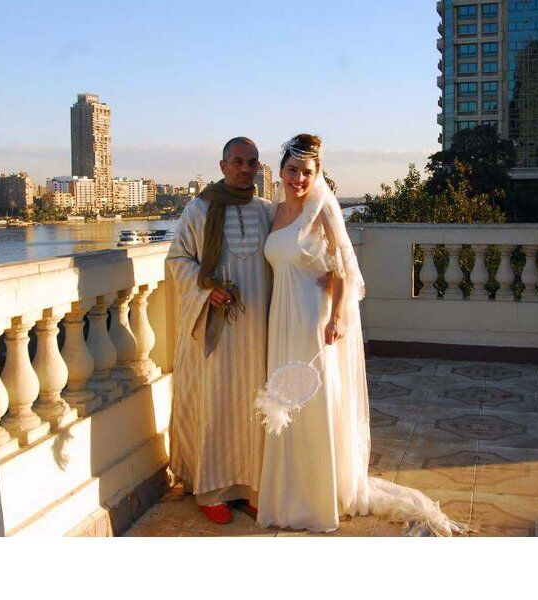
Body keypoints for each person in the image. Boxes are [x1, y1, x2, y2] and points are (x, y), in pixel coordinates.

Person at [256, 134, 466, 535]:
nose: (299, 178)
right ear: (280, 171)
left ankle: (321, 496)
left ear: (317, 173)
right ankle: (289, 492)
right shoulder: (274, 212)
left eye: (307, 172)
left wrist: (336, 316)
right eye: (292, 170)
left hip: (313, 316)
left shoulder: (322, 207)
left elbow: (342, 266)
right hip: (281, 316)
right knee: (286, 396)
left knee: (315, 397)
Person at [166, 137, 273, 524]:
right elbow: (178, 258)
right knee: (215, 403)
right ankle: (210, 490)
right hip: (215, 330)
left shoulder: (267, 211)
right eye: (238, 162)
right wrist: (205, 290)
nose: (246, 169)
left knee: (254, 404)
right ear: (223, 165)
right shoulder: (199, 209)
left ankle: (251, 487)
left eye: (252, 162)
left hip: (257, 331)